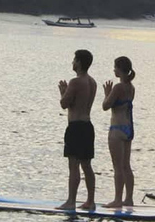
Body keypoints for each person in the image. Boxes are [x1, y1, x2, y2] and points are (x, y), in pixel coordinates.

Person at [58, 49, 98, 210]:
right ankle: (90, 201)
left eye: (74, 60)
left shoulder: (75, 82)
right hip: (88, 126)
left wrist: (62, 92)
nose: (72, 62)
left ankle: (71, 201)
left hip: (76, 126)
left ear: (80, 62)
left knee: (73, 165)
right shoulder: (92, 82)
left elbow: (64, 104)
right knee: (87, 165)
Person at [101, 56, 136, 207]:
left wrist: (107, 93)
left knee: (117, 167)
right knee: (126, 165)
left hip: (116, 128)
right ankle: (129, 198)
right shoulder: (131, 87)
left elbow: (106, 105)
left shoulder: (118, 87)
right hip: (128, 129)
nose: (113, 70)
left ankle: (117, 199)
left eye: (115, 67)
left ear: (120, 69)